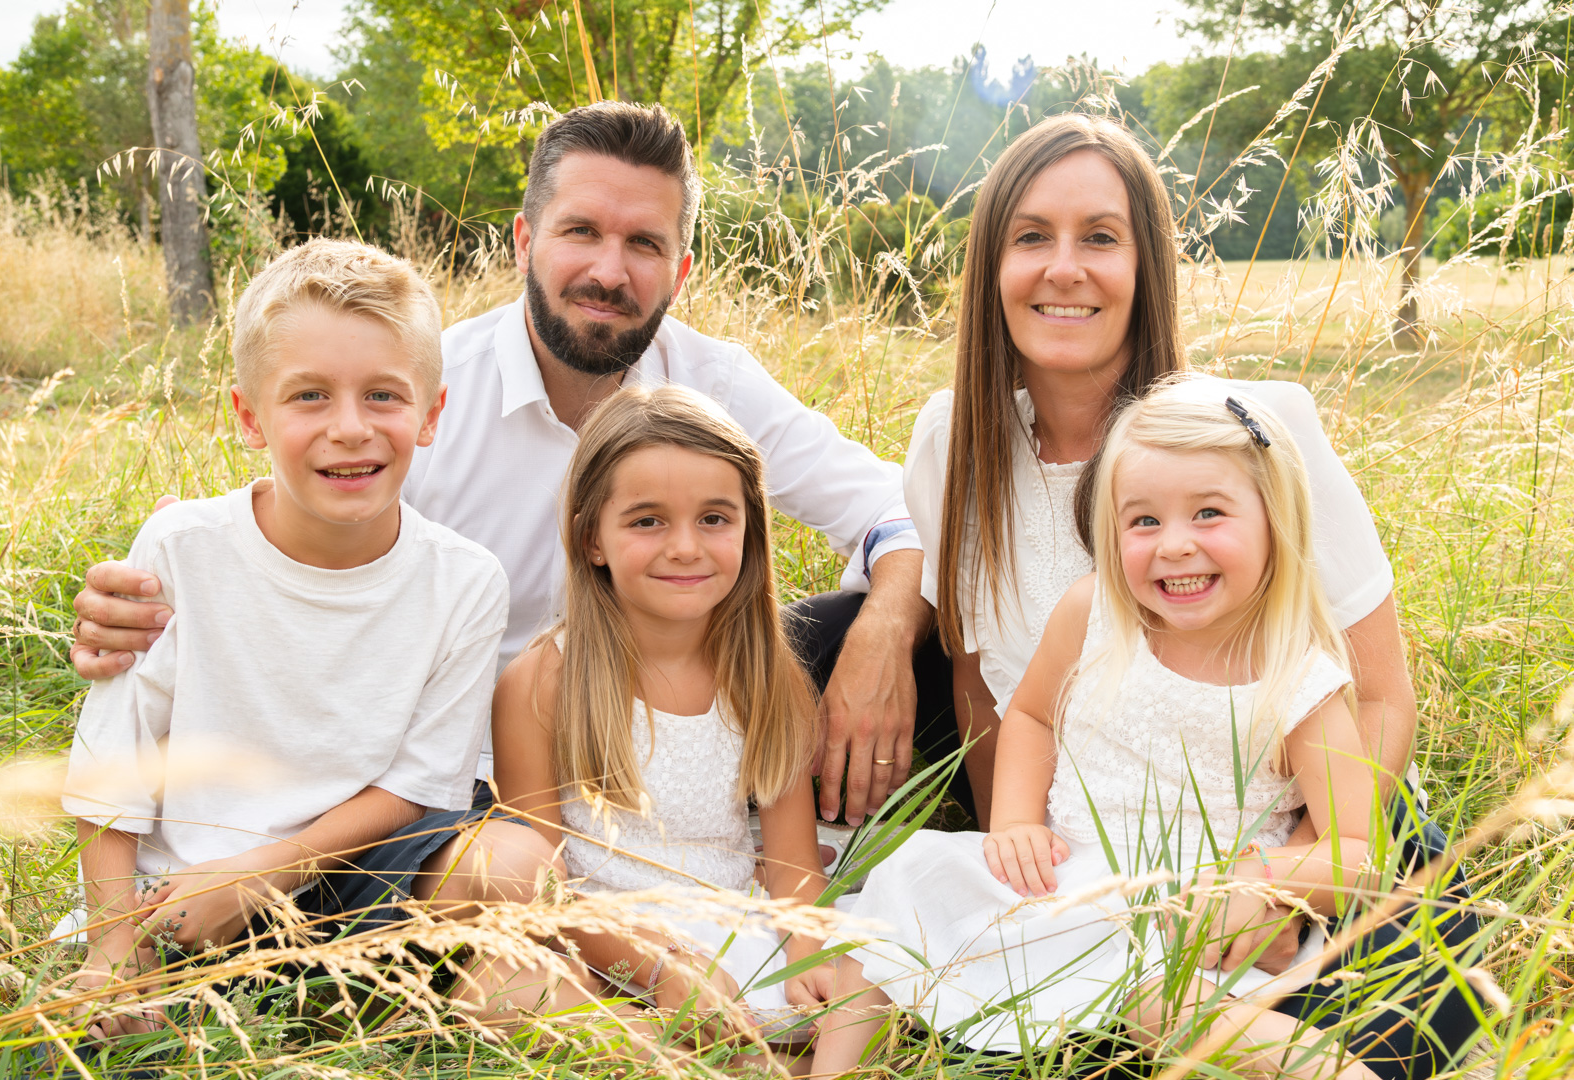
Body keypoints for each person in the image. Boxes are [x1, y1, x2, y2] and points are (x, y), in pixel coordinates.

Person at [66, 101, 949, 830]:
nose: (609, 270)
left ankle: (954, 842)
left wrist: (882, 634)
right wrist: (150, 598)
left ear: (680, 267)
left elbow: (900, 509)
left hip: (674, 727)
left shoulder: (713, 383)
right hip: (474, 766)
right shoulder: (420, 393)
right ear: (524, 241)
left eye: (643, 244)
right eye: (581, 232)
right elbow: (299, 521)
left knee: (912, 628)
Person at [899, 113, 1477, 1075]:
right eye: (1031, 236)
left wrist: (1279, 883)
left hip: (1311, 834)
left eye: (1101, 237)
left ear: (1146, 264)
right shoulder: (953, 441)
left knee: (1381, 1040)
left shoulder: (1255, 432)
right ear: (990, 266)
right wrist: (1020, 840)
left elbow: (1379, 696)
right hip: (1103, 865)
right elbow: (986, 687)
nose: (1064, 267)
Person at [60, 239, 557, 1041]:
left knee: (518, 865)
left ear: (432, 414)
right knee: (126, 1018)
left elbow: (419, 787)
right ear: (251, 416)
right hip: (185, 895)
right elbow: (113, 763)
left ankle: (357, 991)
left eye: (384, 396)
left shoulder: (465, 580)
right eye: (310, 396)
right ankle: (195, 979)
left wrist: (258, 875)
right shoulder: (182, 546)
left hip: (349, 870)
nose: (350, 429)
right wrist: (112, 948)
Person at [815, 378, 1384, 1078]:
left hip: (1182, 915)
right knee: (905, 885)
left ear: (1276, 519)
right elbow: (1029, 715)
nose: (1174, 545)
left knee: (1168, 1006)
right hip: (1067, 880)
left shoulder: (1298, 678)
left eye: (1209, 514)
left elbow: (1356, 848)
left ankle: (1325, 1068)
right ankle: (835, 1070)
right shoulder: (1093, 614)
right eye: (1143, 521)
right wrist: (1016, 823)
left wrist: (1257, 882)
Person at [483, 385, 833, 1047]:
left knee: (866, 982)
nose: (684, 548)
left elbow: (792, 870)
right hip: (601, 943)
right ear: (593, 539)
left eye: (714, 519)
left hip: (732, 927)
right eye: (647, 521)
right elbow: (540, 888)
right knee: (500, 988)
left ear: (749, 529)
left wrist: (810, 957)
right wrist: (657, 966)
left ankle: (757, 1054)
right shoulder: (542, 682)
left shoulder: (769, 677)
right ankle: (689, 1051)